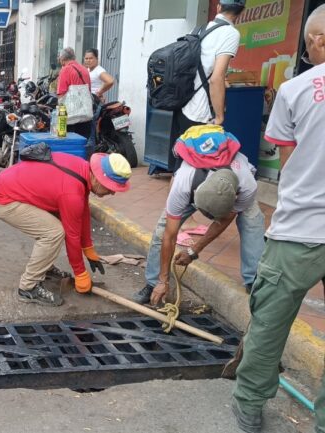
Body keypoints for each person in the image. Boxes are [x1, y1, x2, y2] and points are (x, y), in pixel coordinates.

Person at [231, 6, 325, 433]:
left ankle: (249, 403)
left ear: (316, 40)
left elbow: (289, 163)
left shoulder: (296, 89)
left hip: (300, 230)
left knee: (269, 323)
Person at [133, 126, 265, 305]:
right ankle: (153, 283)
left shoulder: (247, 184)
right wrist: (164, 280)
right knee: (161, 230)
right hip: (193, 185)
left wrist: (194, 250)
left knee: (252, 222)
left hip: (232, 190)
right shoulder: (183, 184)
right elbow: (169, 236)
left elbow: (225, 220)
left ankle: (254, 282)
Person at [0, 152, 132, 306]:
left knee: (53, 225)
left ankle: (44, 268)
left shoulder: (82, 169)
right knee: (53, 232)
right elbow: (72, 236)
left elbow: (82, 213)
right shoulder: (71, 193)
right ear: (97, 177)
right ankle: (28, 287)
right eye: (110, 187)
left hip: (10, 189)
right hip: (2, 199)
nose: (112, 192)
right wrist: (80, 273)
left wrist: (88, 249)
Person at [170, 0, 245, 158]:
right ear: (241, 12)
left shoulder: (198, 29)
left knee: (181, 168)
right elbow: (216, 78)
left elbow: (202, 66)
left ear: (218, 7)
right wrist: (219, 116)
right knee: (200, 167)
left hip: (183, 105)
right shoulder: (230, 33)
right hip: (200, 113)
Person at [56, 47, 93, 139]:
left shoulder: (65, 70)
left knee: (71, 144)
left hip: (72, 117)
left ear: (62, 59)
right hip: (85, 115)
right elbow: (88, 90)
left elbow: (61, 94)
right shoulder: (84, 69)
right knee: (83, 142)